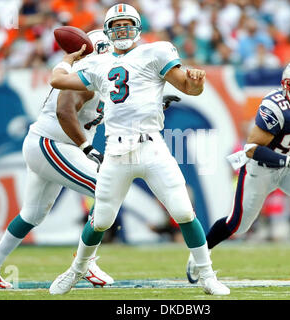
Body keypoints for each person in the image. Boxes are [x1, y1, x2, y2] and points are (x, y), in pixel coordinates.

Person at [0, 29, 180, 289]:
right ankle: (87, 262)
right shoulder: (87, 74)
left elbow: (119, 100)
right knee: (106, 188)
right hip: (52, 143)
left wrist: (157, 102)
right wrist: (85, 147)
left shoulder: (102, 75)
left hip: (48, 145)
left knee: (32, 214)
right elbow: (64, 110)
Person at [48, 3, 230, 296]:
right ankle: (76, 270)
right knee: (102, 220)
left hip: (151, 147)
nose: (122, 30)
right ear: (108, 31)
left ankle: (207, 275)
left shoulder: (156, 52)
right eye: (116, 26)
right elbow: (56, 80)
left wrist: (196, 83)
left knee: (184, 211)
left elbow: (188, 87)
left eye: (127, 24)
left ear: (138, 27)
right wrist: (70, 57)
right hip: (116, 153)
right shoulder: (97, 63)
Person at [187, 59, 290, 284]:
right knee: (238, 224)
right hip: (261, 168)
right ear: (285, 84)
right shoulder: (274, 107)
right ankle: (199, 256)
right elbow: (252, 149)